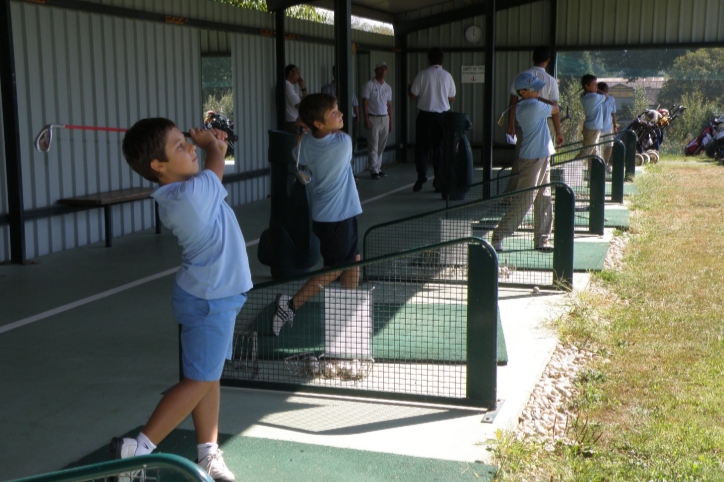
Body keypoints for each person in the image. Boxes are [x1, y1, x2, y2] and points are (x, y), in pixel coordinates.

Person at [113, 118, 252, 482]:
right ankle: (137, 450)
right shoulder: (190, 196)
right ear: (158, 167)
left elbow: (213, 161)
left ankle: (207, 452)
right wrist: (210, 145)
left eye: (185, 142)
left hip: (210, 294)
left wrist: (210, 146)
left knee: (207, 376)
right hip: (211, 298)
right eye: (179, 146)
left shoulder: (184, 190)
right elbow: (217, 164)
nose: (189, 148)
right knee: (201, 380)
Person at [271, 93, 362, 335]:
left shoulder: (304, 144)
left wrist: (304, 129)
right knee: (335, 268)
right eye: (333, 112)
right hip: (338, 218)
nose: (341, 114)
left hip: (331, 216)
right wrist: (305, 126)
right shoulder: (342, 143)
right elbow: (327, 135)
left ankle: (348, 314)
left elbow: (295, 151)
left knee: (353, 260)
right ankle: (289, 306)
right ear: (319, 124)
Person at [491, 72, 559, 253]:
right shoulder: (533, 107)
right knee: (525, 200)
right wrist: (543, 99)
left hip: (543, 155)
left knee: (544, 198)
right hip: (533, 159)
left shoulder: (530, 104)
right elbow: (555, 108)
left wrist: (539, 98)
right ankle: (498, 235)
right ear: (522, 92)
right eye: (533, 88)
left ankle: (542, 240)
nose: (538, 90)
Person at [505, 46, 564, 193]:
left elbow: (512, 103)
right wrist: (558, 131)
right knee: (542, 160)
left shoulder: (521, 76)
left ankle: (511, 194)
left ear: (533, 58)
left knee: (521, 159)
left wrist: (510, 125)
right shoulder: (550, 80)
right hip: (546, 121)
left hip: (523, 121)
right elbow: (556, 109)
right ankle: (529, 194)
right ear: (548, 61)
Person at [409, 47, 456, 192]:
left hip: (425, 116)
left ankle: (422, 174)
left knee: (422, 148)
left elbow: (413, 96)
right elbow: (452, 97)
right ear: (442, 60)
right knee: (440, 148)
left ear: (429, 59)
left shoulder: (422, 75)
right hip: (442, 116)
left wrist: (408, 88)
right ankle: (438, 179)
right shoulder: (447, 76)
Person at [362, 61, 393, 180]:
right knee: (373, 144)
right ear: (376, 71)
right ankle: (373, 169)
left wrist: (391, 121)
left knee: (381, 144)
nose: (383, 71)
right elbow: (364, 102)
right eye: (381, 69)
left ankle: (378, 167)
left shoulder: (387, 87)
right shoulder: (369, 85)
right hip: (373, 117)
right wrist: (366, 119)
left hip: (384, 117)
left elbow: (389, 105)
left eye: (385, 69)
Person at [322, 65, 360, 153]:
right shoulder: (327, 90)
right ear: (333, 73)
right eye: (337, 72)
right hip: (335, 120)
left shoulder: (349, 88)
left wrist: (358, 117)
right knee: (338, 141)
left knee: (352, 142)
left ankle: (351, 161)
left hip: (351, 118)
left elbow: (355, 103)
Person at [577, 74, 608, 159]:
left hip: (591, 128)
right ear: (586, 86)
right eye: (594, 84)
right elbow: (605, 96)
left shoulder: (584, 96)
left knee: (594, 154)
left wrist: (591, 89)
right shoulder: (594, 97)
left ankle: (592, 172)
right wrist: (598, 90)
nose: (596, 86)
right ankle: (573, 164)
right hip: (593, 129)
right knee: (586, 152)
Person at [597, 82, 618, 172]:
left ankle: (606, 163)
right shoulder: (597, 99)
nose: (608, 91)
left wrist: (615, 126)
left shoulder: (611, 99)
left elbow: (613, 113)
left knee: (609, 146)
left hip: (608, 127)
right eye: (606, 89)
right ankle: (599, 164)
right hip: (598, 128)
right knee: (598, 147)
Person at [285, 64, 308, 133]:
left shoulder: (290, 87)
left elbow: (305, 101)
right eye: (297, 73)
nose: (299, 76)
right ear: (291, 73)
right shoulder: (287, 86)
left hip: (295, 120)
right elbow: (300, 106)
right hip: (292, 122)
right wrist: (303, 88)